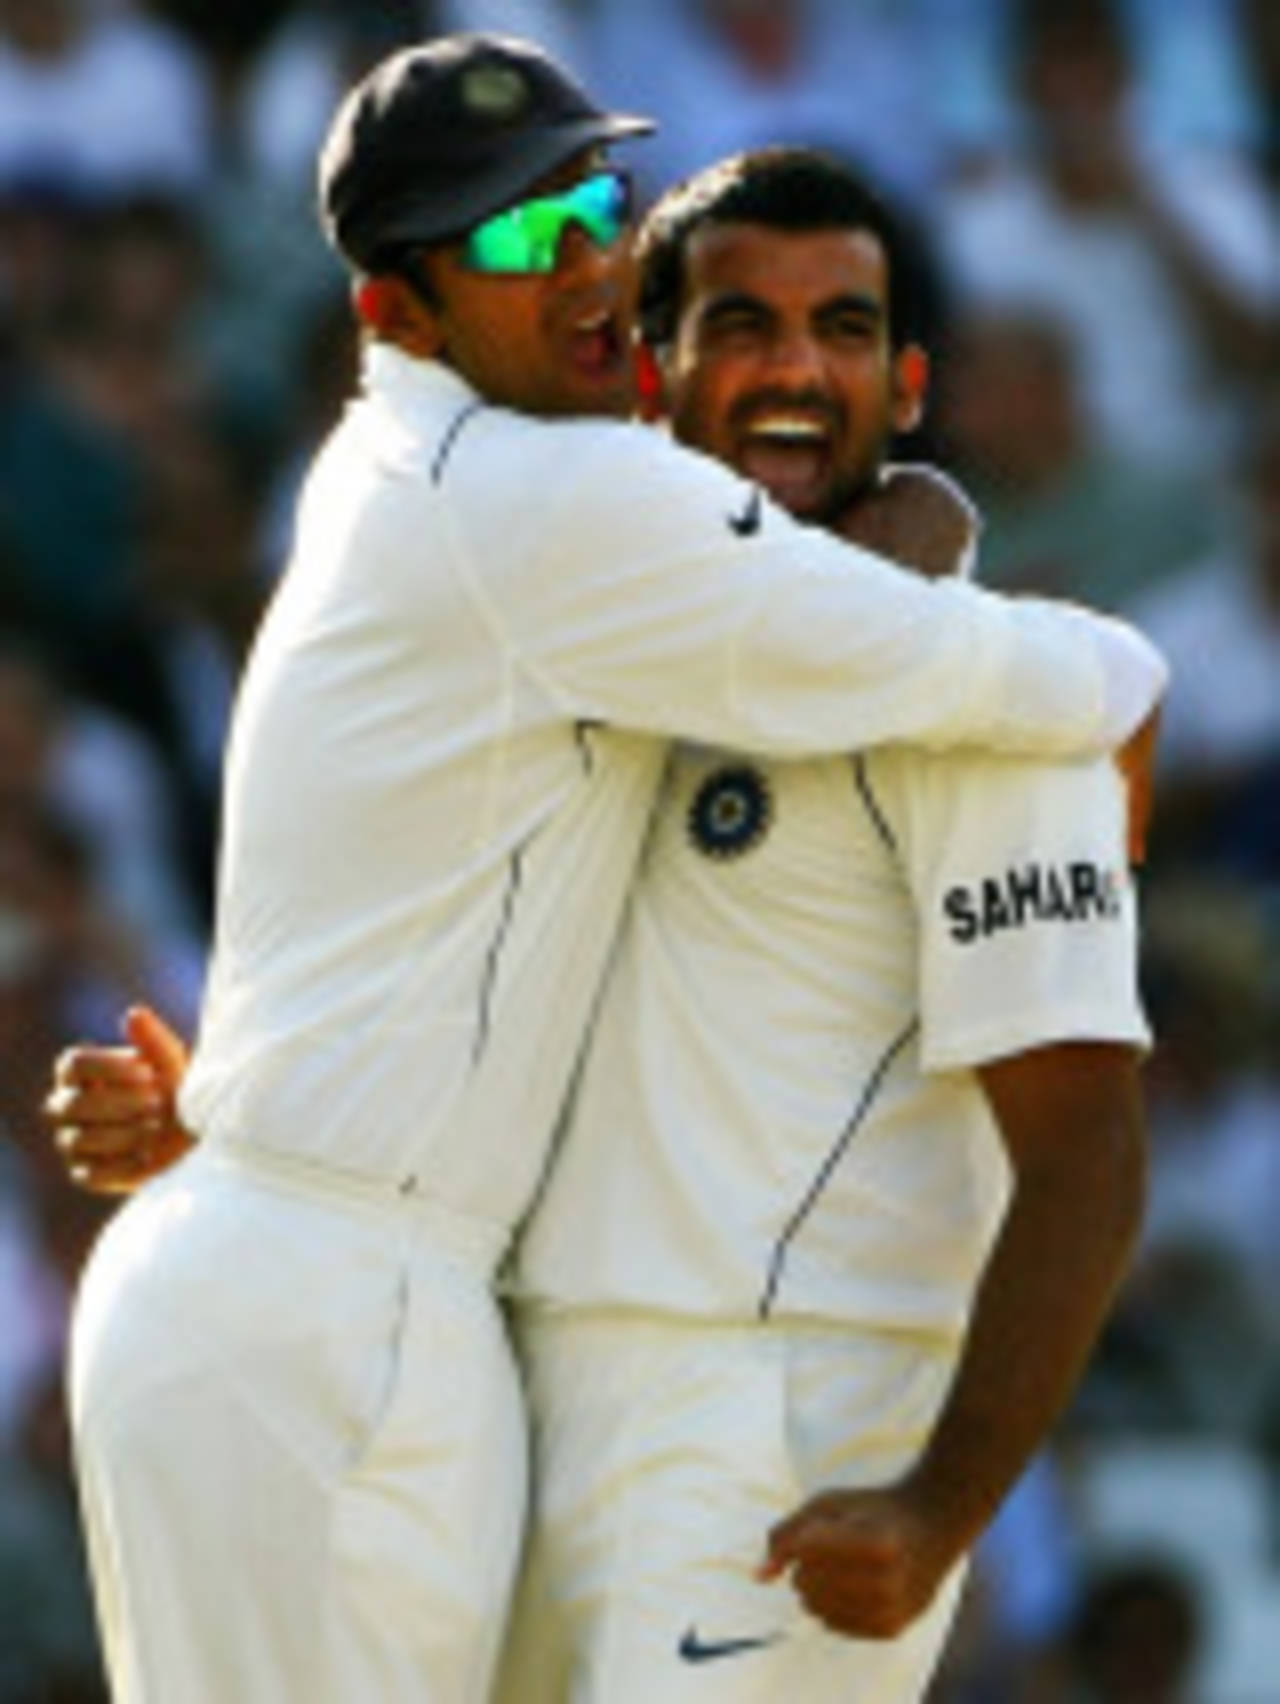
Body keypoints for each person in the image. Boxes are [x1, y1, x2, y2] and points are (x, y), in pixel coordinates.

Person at [49, 36, 1165, 1704]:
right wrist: (1120, 681)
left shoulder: (632, 608)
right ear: (396, 315)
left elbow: (1083, 1134)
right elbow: (948, 654)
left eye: (592, 208)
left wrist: (949, 1504)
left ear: (911, 378)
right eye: (509, 240)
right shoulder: (565, 514)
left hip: (734, 1423)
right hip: (424, 1342)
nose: (574, 259)